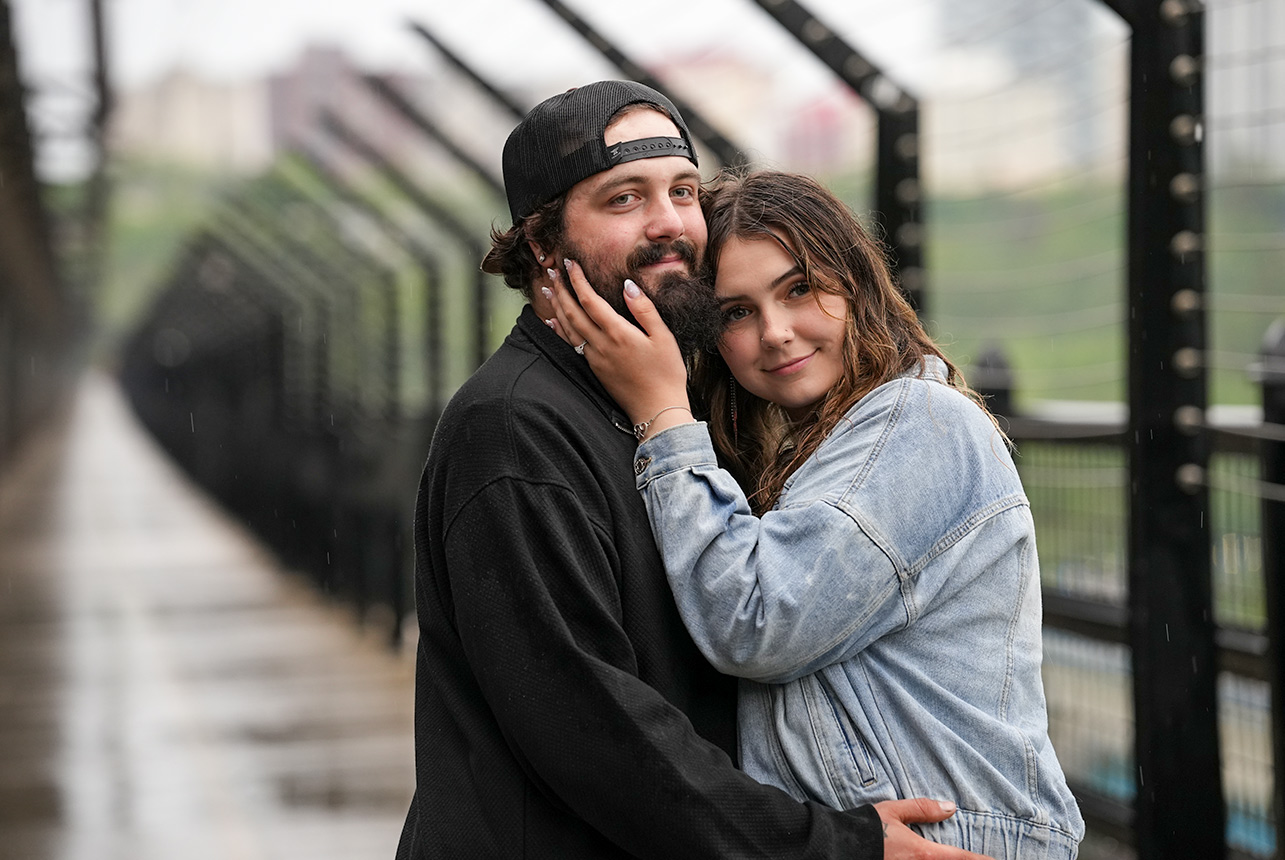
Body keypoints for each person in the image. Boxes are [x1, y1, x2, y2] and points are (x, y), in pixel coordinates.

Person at [394, 81, 992, 859]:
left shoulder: (648, 403)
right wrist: (827, 845)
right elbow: (595, 733)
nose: (670, 223)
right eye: (623, 199)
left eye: (681, 190)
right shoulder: (514, 429)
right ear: (542, 243)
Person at [546, 168, 1086, 858]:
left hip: (947, 841)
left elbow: (756, 622)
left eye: (798, 289)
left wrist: (661, 412)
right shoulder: (818, 447)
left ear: (854, 282)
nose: (774, 332)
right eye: (737, 312)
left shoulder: (917, 422)